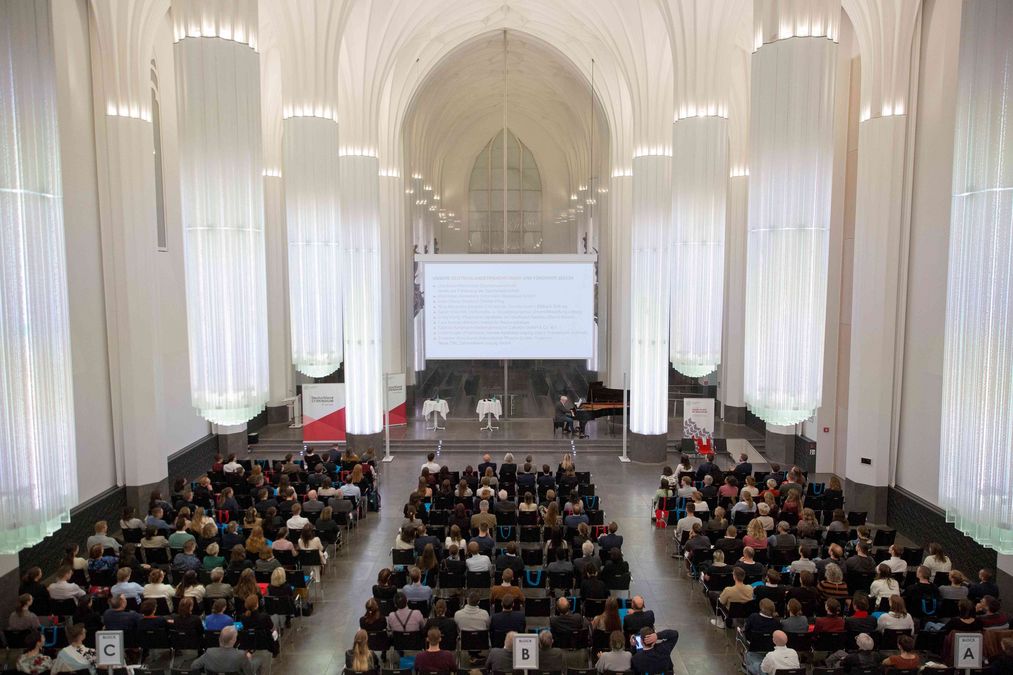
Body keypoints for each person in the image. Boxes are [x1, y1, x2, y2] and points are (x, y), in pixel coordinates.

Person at [189, 625, 257, 675]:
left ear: (219, 638)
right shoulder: (242, 655)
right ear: (234, 640)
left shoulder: (209, 652)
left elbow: (193, 666)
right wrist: (249, 659)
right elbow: (250, 673)